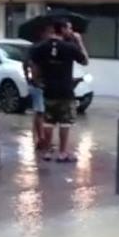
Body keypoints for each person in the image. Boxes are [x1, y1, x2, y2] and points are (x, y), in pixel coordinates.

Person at [28, 19, 89, 162]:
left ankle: (47, 151)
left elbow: (33, 64)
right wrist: (79, 41)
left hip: (48, 89)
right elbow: (85, 61)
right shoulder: (70, 47)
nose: (71, 31)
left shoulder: (41, 47)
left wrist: (37, 80)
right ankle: (62, 152)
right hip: (65, 90)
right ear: (61, 29)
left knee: (48, 121)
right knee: (65, 121)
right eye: (69, 28)